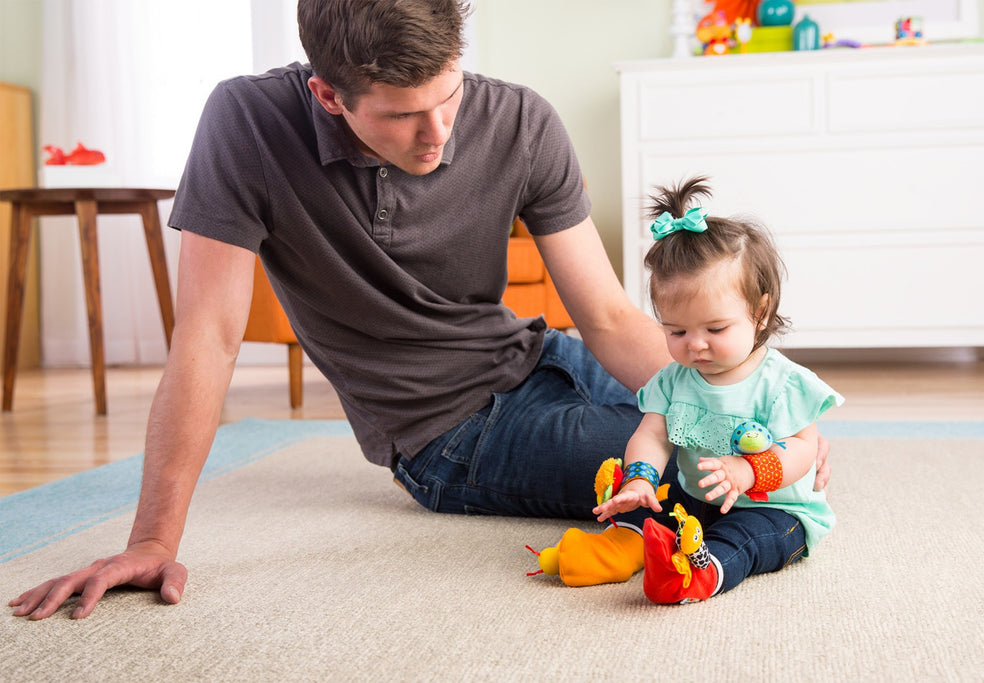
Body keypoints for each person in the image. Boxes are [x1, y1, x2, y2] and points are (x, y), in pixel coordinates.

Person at [9, 0, 830, 620]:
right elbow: (209, 338)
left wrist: (740, 402)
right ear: (329, 95)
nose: (437, 134)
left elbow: (612, 318)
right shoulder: (247, 122)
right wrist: (152, 538)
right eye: (402, 115)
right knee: (698, 482)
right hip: (451, 434)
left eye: (449, 97)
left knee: (733, 439)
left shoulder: (520, 120)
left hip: (541, 357)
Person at [593, 177, 842, 604]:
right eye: (677, 330)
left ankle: (704, 575)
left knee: (744, 540)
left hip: (775, 511)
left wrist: (747, 473)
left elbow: (803, 449)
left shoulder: (783, 384)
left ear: (760, 313)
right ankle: (627, 549)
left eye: (716, 328)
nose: (696, 344)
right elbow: (651, 435)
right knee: (653, 514)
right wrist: (639, 479)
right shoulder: (674, 381)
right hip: (698, 501)